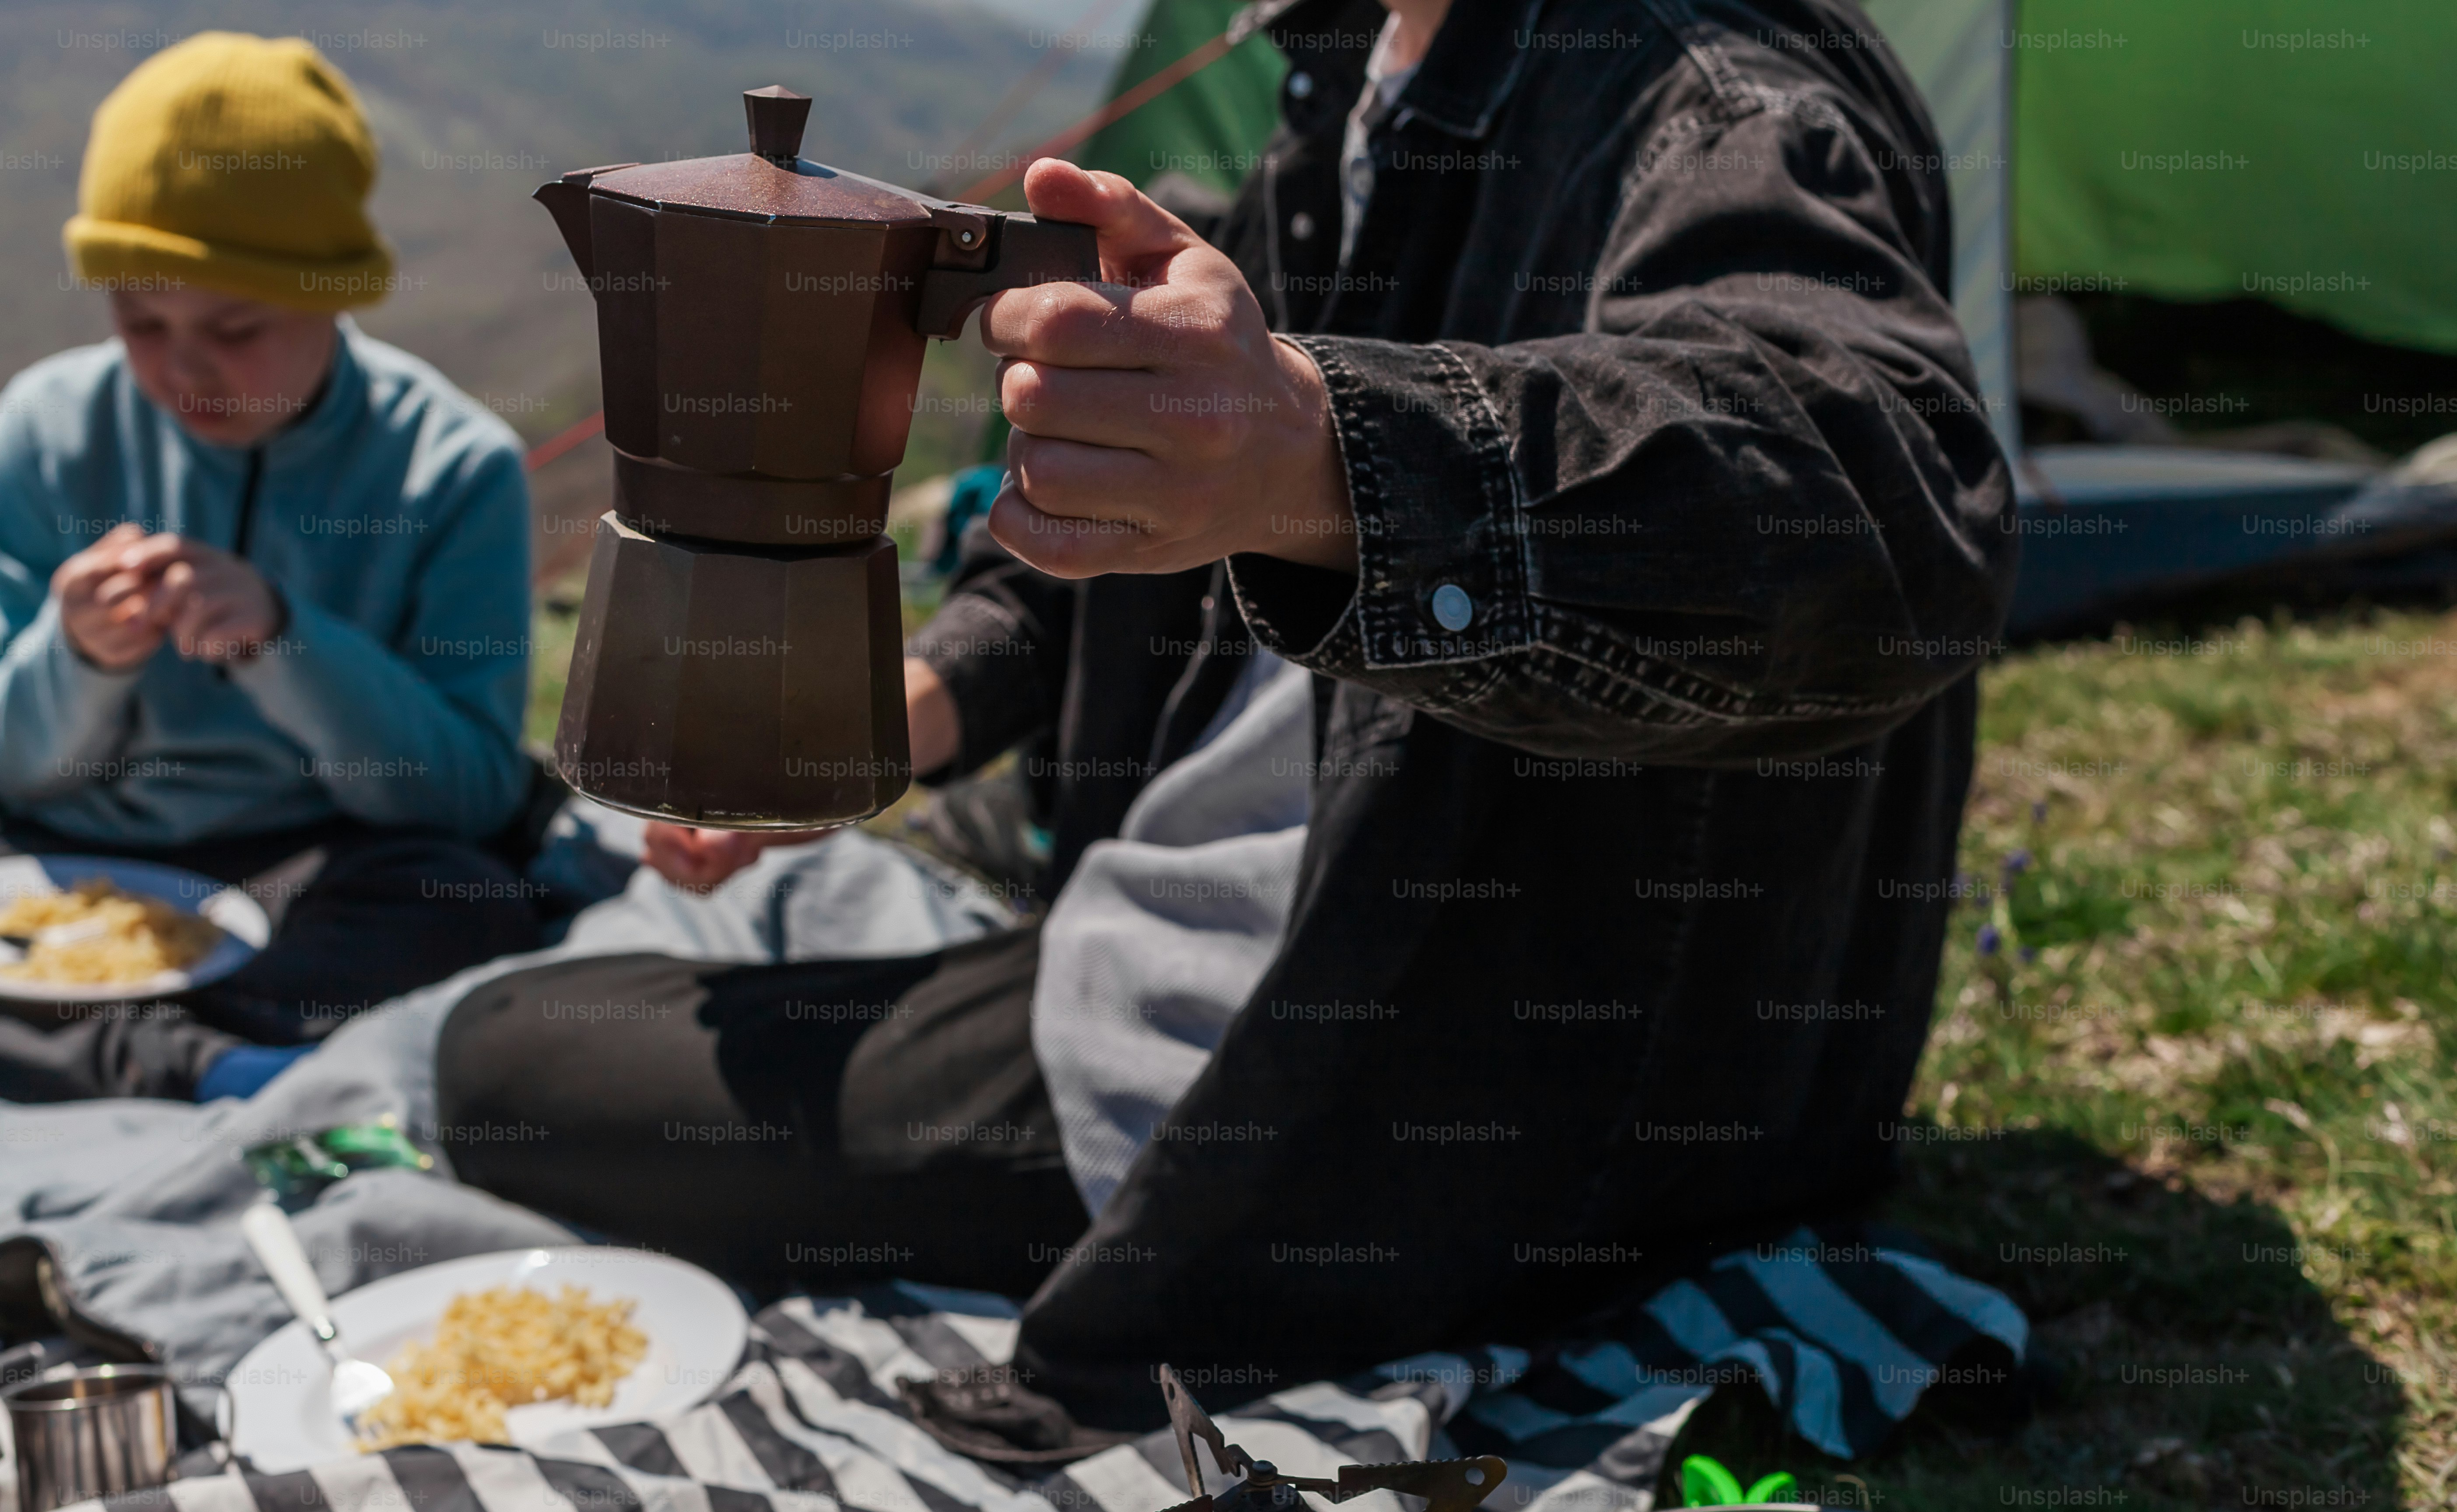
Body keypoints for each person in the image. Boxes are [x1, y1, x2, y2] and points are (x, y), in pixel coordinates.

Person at [437, 0, 2017, 1431]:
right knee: (585, 1023)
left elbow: (1889, 514)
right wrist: (908, 711)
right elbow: (1117, 549)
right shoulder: (1363, 82)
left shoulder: (1711, 97)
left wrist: (1332, 461)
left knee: (508, 1064)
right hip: (1189, 928)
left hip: (1396, 1092)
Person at [0, 33, 542, 1103]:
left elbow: (470, 793)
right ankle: (205, 1061)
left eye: (236, 327)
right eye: (140, 321)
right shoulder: (44, 432)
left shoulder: (453, 468)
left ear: (335, 294)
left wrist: (287, 643)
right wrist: (75, 658)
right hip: (62, 865)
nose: (181, 367)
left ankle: (106, 1054)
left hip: (306, 863)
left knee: (463, 898)